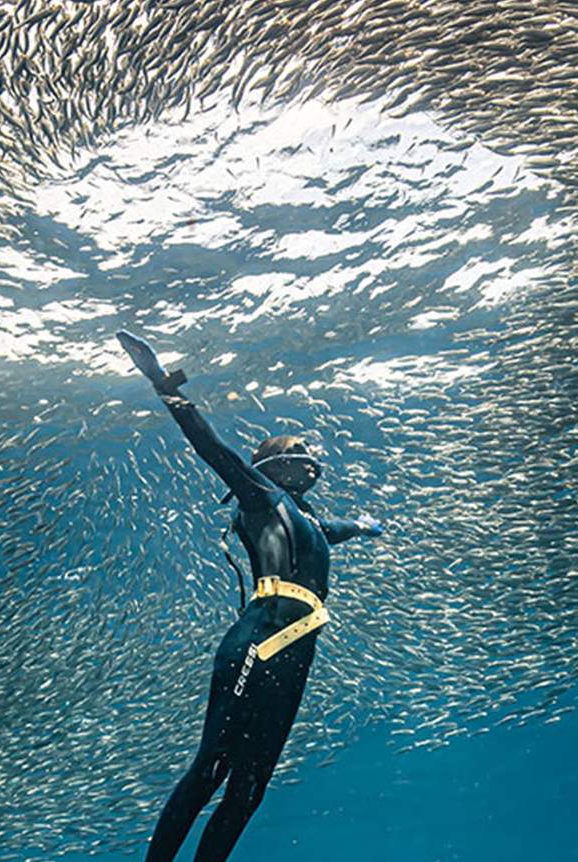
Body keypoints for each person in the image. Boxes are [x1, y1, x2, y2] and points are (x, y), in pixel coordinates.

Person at [116, 330, 384, 862]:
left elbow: (333, 529)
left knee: (251, 787)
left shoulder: (306, 521)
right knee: (212, 767)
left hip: (296, 653)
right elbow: (211, 447)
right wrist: (162, 383)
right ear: (269, 464)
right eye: (296, 453)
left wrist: (363, 524)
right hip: (258, 642)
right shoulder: (261, 497)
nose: (306, 459)